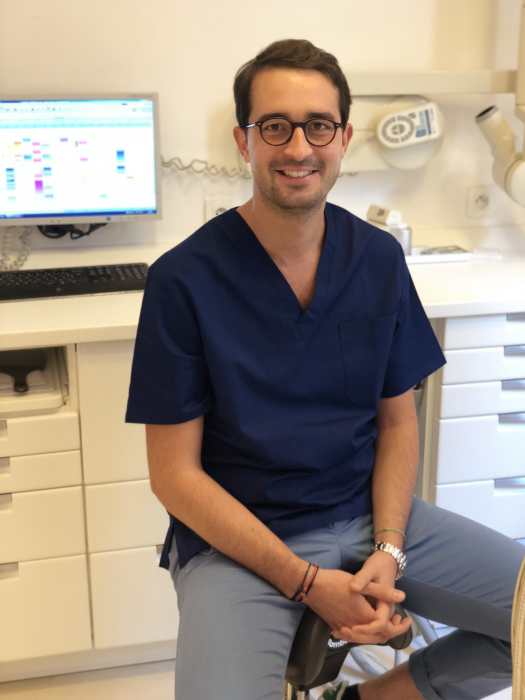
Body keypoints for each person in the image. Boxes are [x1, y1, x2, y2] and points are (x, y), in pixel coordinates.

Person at [126, 39, 525, 700]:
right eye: (274, 127)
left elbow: (397, 422)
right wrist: (308, 583)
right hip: (239, 543)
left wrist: (388, 548)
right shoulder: (183, 280)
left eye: (317, 125)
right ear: (243, 140)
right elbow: (174, 477)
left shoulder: (376, 259)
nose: (298, 147)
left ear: (342, 138)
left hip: (367, 516)